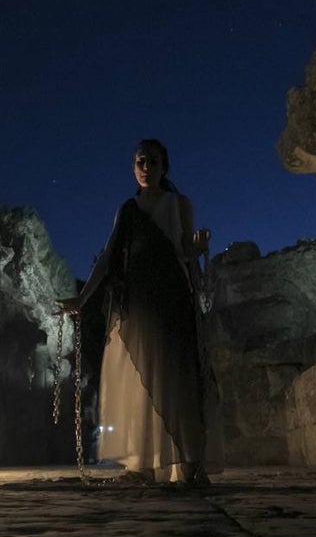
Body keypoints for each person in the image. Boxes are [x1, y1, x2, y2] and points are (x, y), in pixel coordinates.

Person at [58, 139, 221, 486]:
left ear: (164, 167)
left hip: (173, 299)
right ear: (133, 167)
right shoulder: (127, 209)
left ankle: (189, 464)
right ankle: (141, 465)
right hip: (138, 304)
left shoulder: (179, 204)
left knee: (177, 380)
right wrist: (82, 299)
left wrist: (198, 248)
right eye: (141, 161)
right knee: (140, 382)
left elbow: (185, 254)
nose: (147, 167)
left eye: (154, 162)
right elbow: (108, 256)